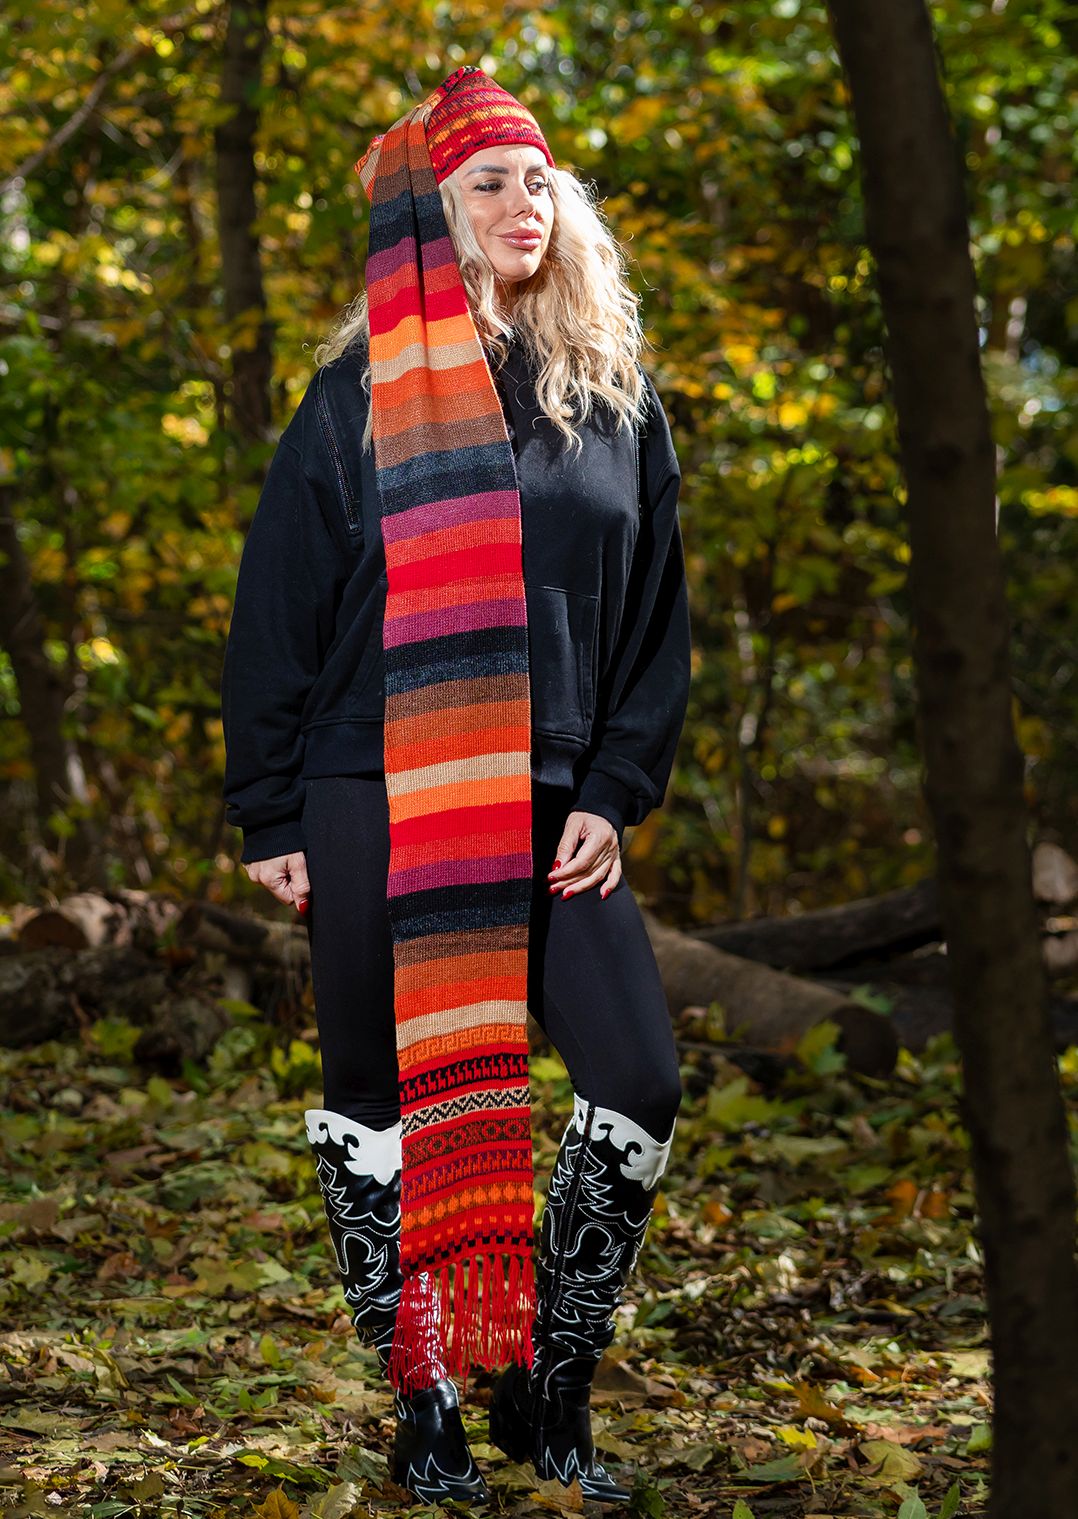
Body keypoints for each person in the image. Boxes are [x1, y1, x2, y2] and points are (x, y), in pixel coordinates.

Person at [220, 64, 692, 1506]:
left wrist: (614, 783)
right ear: (430, 212)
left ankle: (550, 1379)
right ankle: (423, 1394)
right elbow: (278, 608)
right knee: (375, 1095)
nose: (522, 203)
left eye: (539, 180)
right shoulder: (356, 399)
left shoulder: (612, 400)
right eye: (489, 182)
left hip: (553, 798)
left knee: (636, 1079)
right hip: (375, 784)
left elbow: (654, 616)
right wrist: (270, 808)